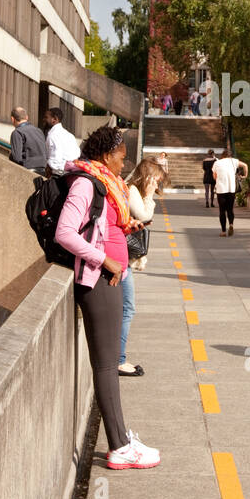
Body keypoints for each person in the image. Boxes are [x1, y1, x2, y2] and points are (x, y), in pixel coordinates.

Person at [54, 124, 159, 469]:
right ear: (104, 154)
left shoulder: (100, 181)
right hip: (98, 280)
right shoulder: (86, 183)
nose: (122, 165)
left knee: (108, 363)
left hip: (109, 278)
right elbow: (65, 233)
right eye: (119, 157)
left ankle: (121, 438)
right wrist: (106, 260)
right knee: (106, 364)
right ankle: (118, 446)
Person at [119, 159, 168, 377]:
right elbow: (144, 215)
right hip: (121, 259)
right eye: (155, 179)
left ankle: (118, 357)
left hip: (124, 258)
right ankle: (119, 359)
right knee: (127, 309)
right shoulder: (133, 191)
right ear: (147, 177)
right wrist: (148, 195)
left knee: (125, 309)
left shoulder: (133, 191)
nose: (157, 185)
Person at [212, 150, 247, 237]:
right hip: (231, 189)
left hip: (221, 190)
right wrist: (245, 175)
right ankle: (231, 224)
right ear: (230, 156)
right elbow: (245, 165)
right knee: (230, 209)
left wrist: (218, 179)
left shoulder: (217, 163)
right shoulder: (234, 161)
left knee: (222, 211)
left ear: (222, 156)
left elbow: (214, 176)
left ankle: (223, 231)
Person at [43, 107, 80, 176]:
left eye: (46, 117)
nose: (44, 120)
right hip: (72, 172)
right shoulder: (69, 135)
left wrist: (49, 171)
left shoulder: (53, 135)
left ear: (54, 119)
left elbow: (55, 160)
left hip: (59, 175)